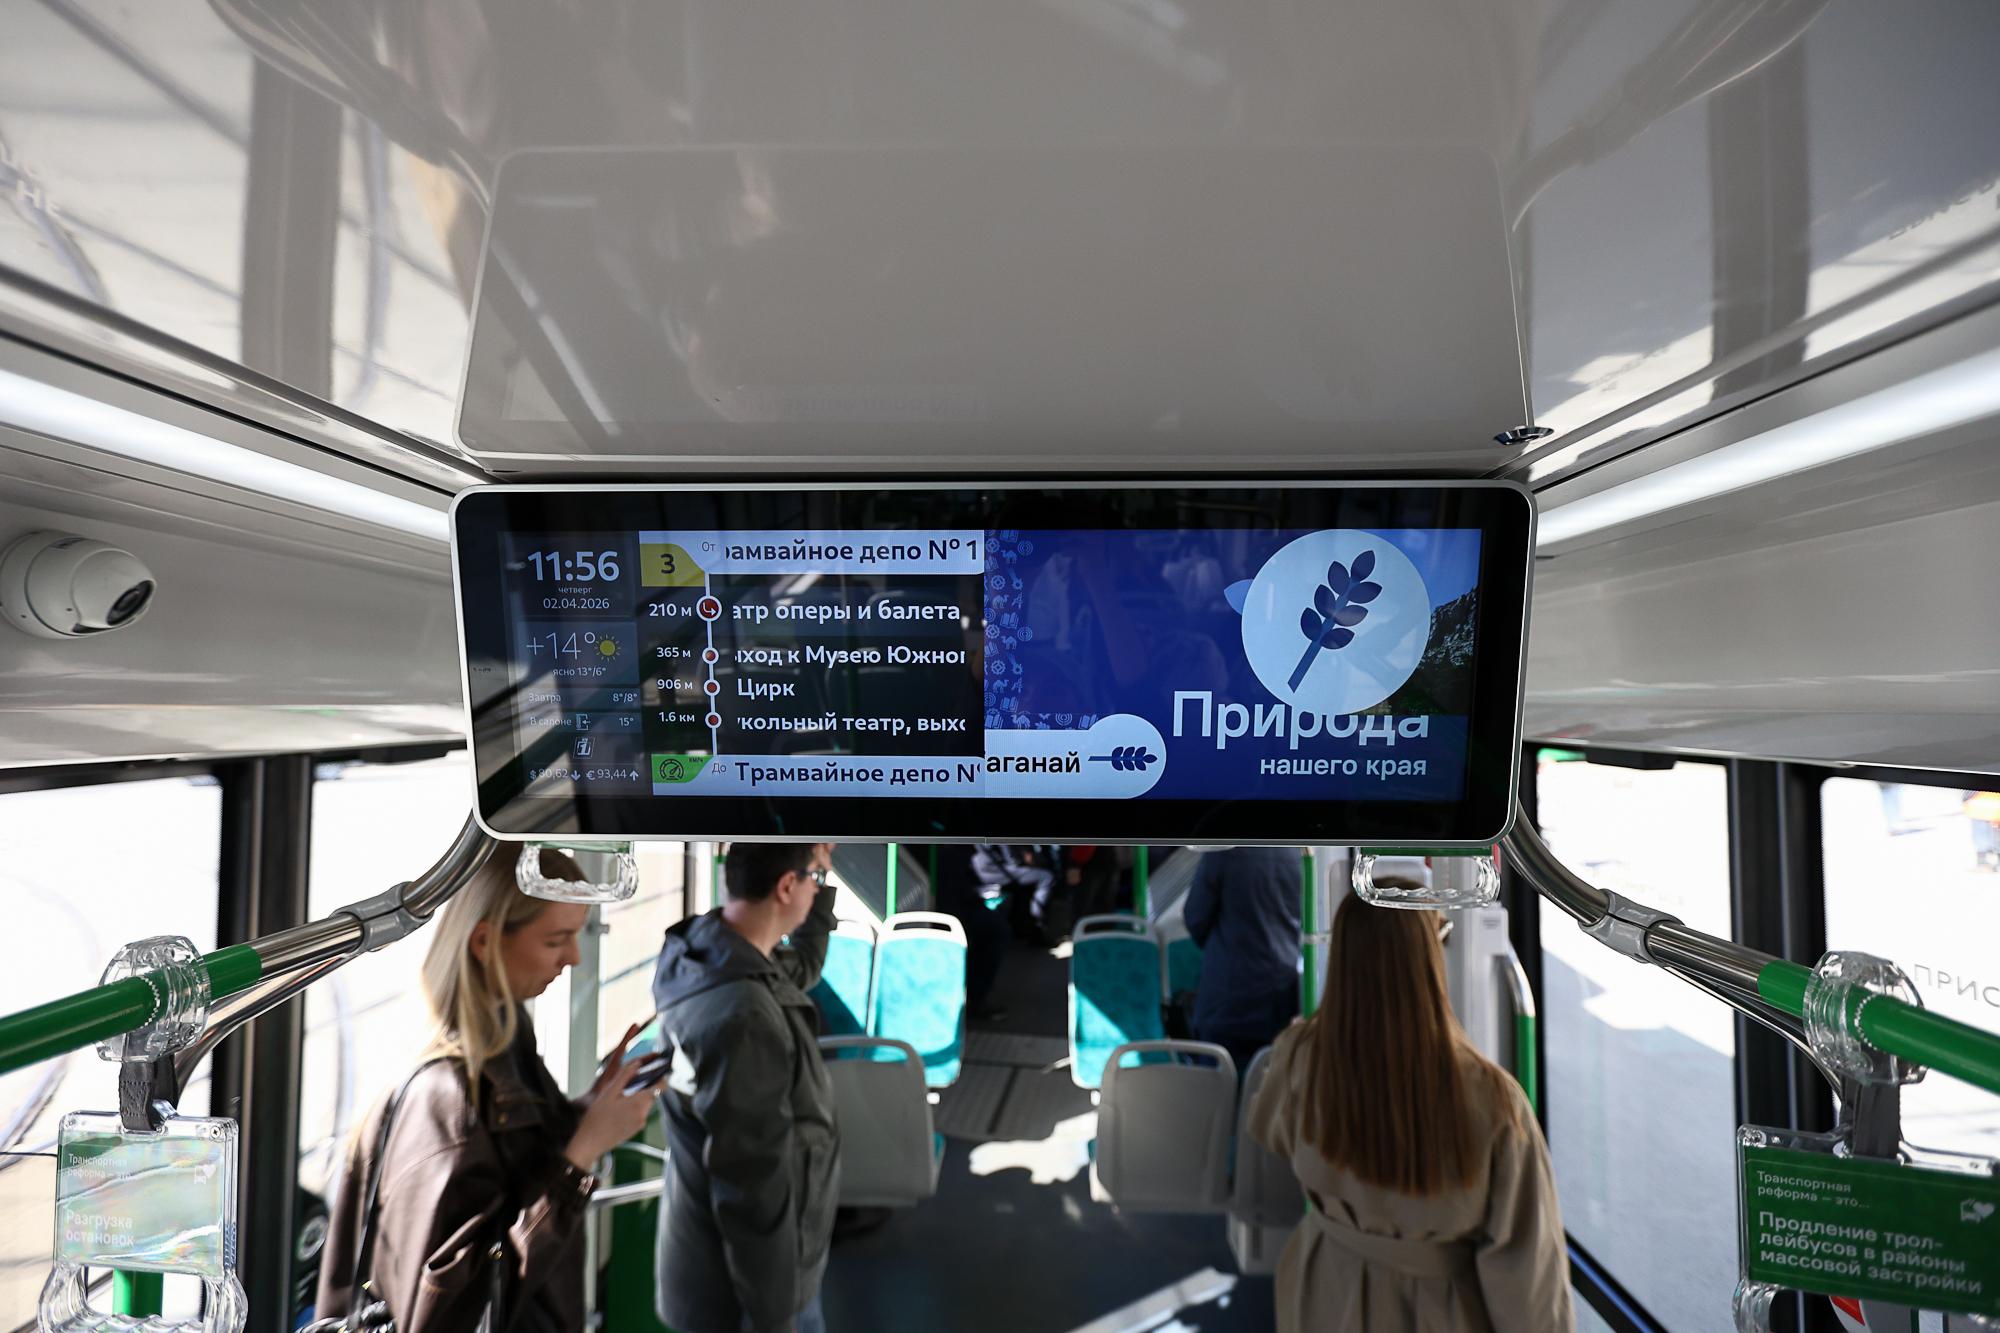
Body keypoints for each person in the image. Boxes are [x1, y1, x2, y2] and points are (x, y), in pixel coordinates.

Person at [315, 848, 655, 1333]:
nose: (574, 957)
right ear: (484, 941)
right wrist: (580, 1158)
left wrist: (587, 1113)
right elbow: (457, 1311)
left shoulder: (507, 1033)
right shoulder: (445, 1101)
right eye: (556, 940)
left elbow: (518, 1171)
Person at [1247, 893, 1572, 1333]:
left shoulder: (1301, 1055)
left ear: (1342, 957)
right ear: (1430, 961)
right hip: (1437, 1308)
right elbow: (1526, 1271)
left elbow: (1271, 1133)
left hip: (1325, 1287)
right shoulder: (1495, 1100)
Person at [652, 842, 840, 1333]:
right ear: (786, 886)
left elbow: (805, 966)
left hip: (726, 1268)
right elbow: (752, 1188)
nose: (816, 890)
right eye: (815, 881)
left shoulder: (711, 952)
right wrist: (774, 1315)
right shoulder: (743, 1015)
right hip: (746, 1292)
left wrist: (818, 877)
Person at [1183, 845, 1304, 1074]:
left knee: (1217, 1088)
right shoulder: (1301, 850)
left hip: (1227, 997)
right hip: (1281, 996)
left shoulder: (1225, 848)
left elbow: (1196, 917)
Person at [972, 844, 1056, 941]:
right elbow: (1008, 854)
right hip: (993, 869)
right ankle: (1038, 925)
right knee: (1046, 877)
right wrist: (1019, 862)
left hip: (982, 867)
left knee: (1026, 884)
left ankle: (1023, 927)